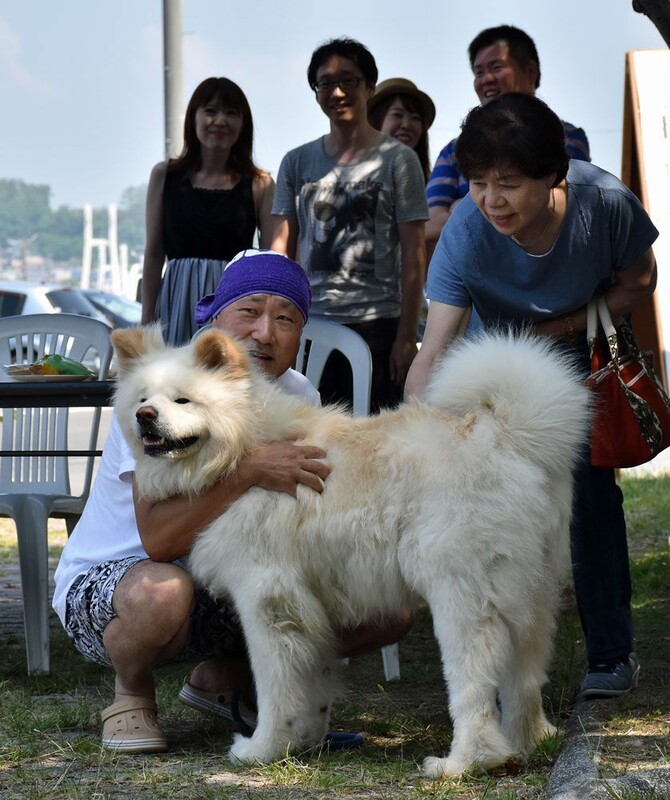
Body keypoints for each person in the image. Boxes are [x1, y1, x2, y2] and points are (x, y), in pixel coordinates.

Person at [52, 249, 411, 754]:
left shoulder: (297, 394)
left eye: (285, 318)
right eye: (250, 311)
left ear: (300, 333)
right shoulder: (158, 390)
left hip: (226, 578)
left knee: (383, 606)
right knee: (165, 593)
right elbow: (158, 539)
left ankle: (229, 683)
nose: (265, 332)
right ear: (216, 321)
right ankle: (130, 694)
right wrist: (249, 470)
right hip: (129, 580)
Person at [405, 93, 658, 699]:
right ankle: (494, 670)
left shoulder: (605, 203)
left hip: (582, 353)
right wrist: (410, 434)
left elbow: (641, 279)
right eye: (478, 183)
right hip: (496, 371)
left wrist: (564, 327)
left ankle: (610, 655)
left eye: (510, 184)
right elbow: (436, 348)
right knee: (483, 505)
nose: (492, 200)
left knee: (589, 494)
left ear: (554, 176)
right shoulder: (466, 230)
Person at [271, 38, 428, 412]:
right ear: (316, 93)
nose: (337, 92)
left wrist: (407, 337)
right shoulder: (296, 162)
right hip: (312, 324)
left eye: (349, 81)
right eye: (325, 83)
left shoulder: (399, 160)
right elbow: (281, 247)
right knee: (313, 435)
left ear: (369, 87)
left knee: (375, 441)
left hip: (379, 326)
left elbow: (414, 254)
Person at [425, 25, 591, 257]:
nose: (486, 79)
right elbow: (432, 225)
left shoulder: (567, 137)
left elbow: (564, 202)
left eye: (497, 67)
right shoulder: (453, 150)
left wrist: (458, 209)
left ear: (531, 71)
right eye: (479, 72)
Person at [141, 77, 276, 345]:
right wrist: (146, 319)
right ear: (193, 118)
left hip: (233, 301)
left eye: (231, 112)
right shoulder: (165, 175)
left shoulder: (260, 183)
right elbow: (154, 252)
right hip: (175, 299)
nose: (220, 121)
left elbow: (269, 259)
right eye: (210, 111)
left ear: (243, 123)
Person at [367, 77, 435, 181]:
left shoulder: (432, 184)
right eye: (397, 115)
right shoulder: (352, 175)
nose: (407, 125)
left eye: (415, 118)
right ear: (376, 121)